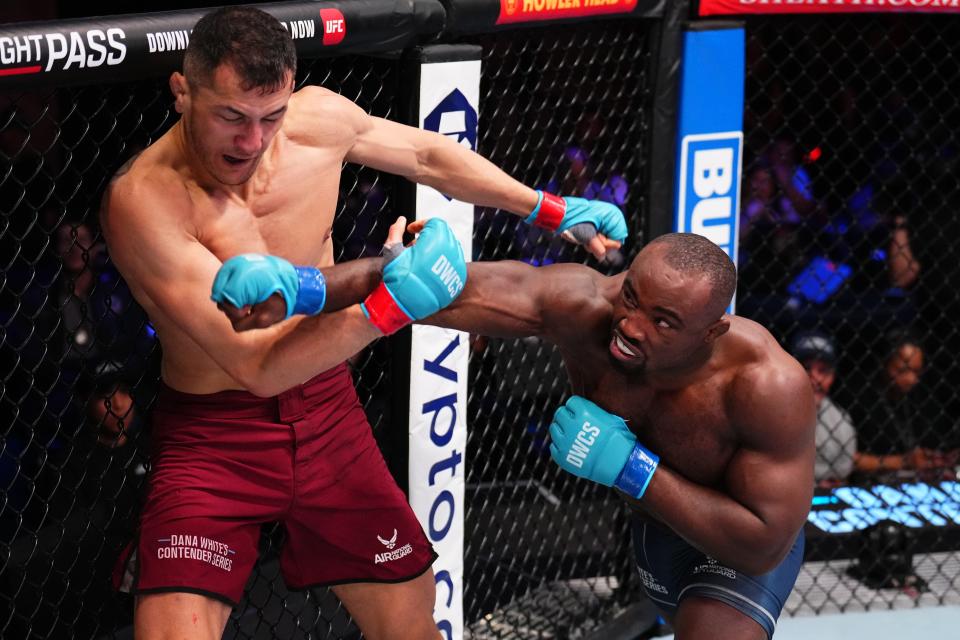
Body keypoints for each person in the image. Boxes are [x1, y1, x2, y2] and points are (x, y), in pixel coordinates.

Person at [99, 6, 627, 640]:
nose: (252, 141)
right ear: (182, 92)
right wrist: (388, 307)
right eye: (231, 117)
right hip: (215, 438)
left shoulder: (316, 121)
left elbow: (430, 155)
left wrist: (548, 207)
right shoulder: (145, 201)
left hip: (328, 416)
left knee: (412, 629)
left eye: (271, 116)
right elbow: (256, 366)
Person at [224, 231, 816, 639]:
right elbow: (437, 283)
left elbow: (763, 542)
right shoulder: (583, 305)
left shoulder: (765, 385)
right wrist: (302, 289)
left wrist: (631, 467)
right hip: (654, 534)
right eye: (632, 297)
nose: (630, 326)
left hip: (736, 542)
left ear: (712, 330)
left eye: (663, 323)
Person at [789, 331, 856, 488]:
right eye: (806, 368)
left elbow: (842, 476)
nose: (815, 379)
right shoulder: (770, 414)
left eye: (823, 370)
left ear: (832, 376)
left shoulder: (841, 421)